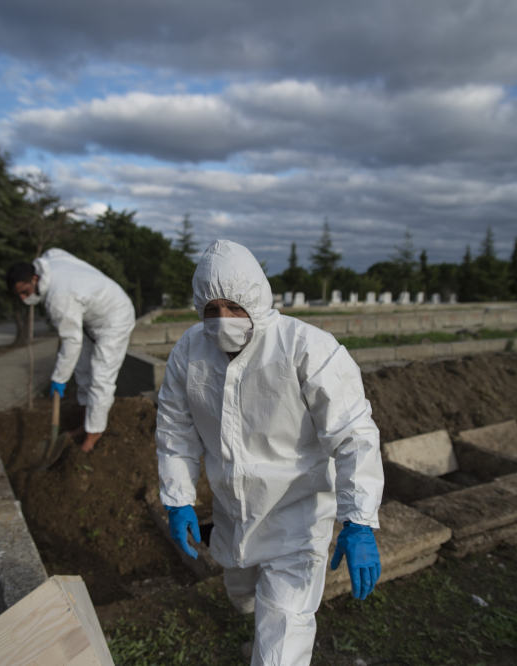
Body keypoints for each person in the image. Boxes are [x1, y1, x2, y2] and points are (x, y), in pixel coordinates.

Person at [156, 240, 384, 666]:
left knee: (281, 639)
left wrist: (359, 521)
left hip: (298, 518)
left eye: (235, 306)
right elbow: (175, 428)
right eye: (212, 309)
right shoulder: (190, 351)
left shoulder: (307, 349)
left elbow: (353, 434)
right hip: (232, 513)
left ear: (258, 300)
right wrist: (178, 498)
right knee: (241, 594)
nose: (223, 320)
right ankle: (257, 630)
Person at [7, 248, 136, 452]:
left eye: (26, 291)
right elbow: (55, 251)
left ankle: (94, 434)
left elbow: (71, 341)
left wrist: (59, 377)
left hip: (115, 317)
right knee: (82, 370)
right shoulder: (47, 262)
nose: (24, 298)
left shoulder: (59, 298)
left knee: (101, 377)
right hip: (88, 316)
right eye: (19, 294)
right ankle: (86, 422)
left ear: (34, 278)